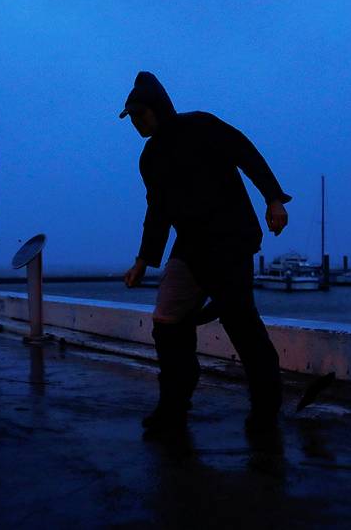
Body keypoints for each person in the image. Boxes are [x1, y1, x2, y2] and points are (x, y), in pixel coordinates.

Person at [120, 71, 292, 434]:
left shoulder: (202, 125)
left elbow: (246, 154)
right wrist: (143, 260)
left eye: (139, 115)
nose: (135, 123)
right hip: (190, 249)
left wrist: (273, 197)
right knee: (167, 321)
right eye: (131, 117)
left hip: (230, 241)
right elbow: (158, 211)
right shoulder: (149, 158)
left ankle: (265, 408)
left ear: (156, 109)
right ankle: (174, 406)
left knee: (240, 322)